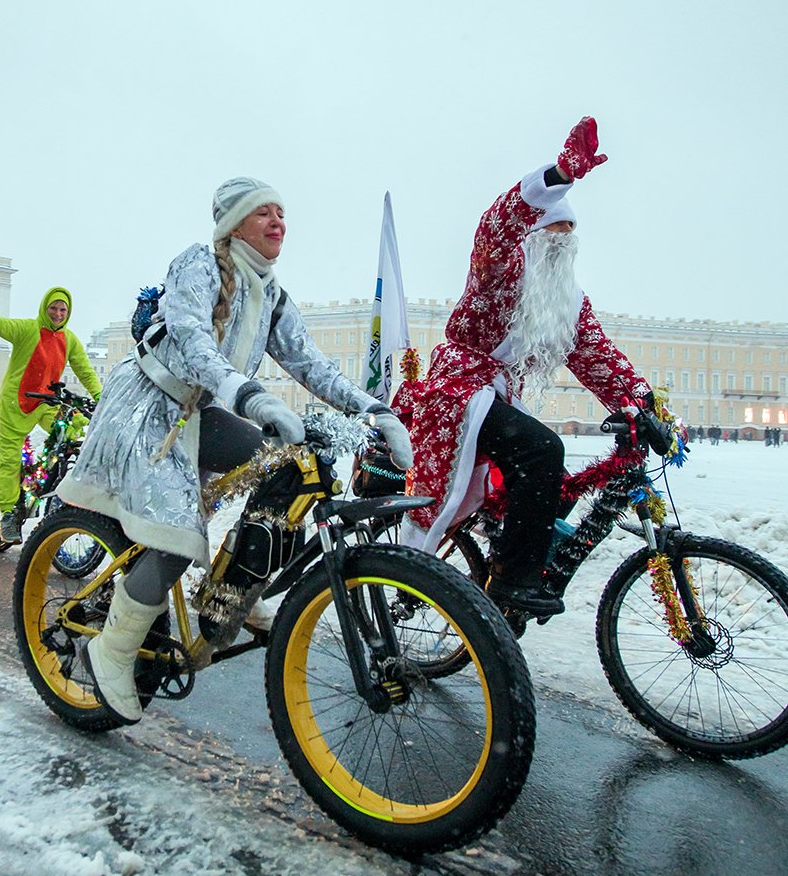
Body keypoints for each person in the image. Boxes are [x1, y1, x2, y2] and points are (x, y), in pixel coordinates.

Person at [59, 176, 413, 724]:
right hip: (155, 406)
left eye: (281, 213)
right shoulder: (198, 263)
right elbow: (190, 338)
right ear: (233, 224)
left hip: (207, 411)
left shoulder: (271, 292)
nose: (278, 222)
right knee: (175, 540)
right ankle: (111, 650)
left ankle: (230, 592)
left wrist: (374, 409)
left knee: (292, 468)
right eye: (263, 212)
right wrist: (248, 394)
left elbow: (309, 363)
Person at [400, 117, 655, 617]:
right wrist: (557, 176)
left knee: (544, 476)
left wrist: (642, 401)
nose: (561, 238)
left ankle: (508, 558)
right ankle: (512, 584)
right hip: (461, 393)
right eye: (552, 227)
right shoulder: (499, 273)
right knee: (543, 448)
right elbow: (495, 227)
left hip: (499, 397)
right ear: (531, 234)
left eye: (569, 230)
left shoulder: (565, 301)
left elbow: (597, 355)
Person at [0, 274, 102, 544]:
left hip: (46, 404)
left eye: (63, 309)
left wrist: (100, 397)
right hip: (17, 402)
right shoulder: (27, 330)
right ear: (45, 308)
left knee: (73, 427)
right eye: (53, 308)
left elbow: (85, 370)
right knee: (10, 458)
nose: (58, 313)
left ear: (68, 312)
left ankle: (52, 479)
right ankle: (7, 515)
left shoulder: (69, 339)